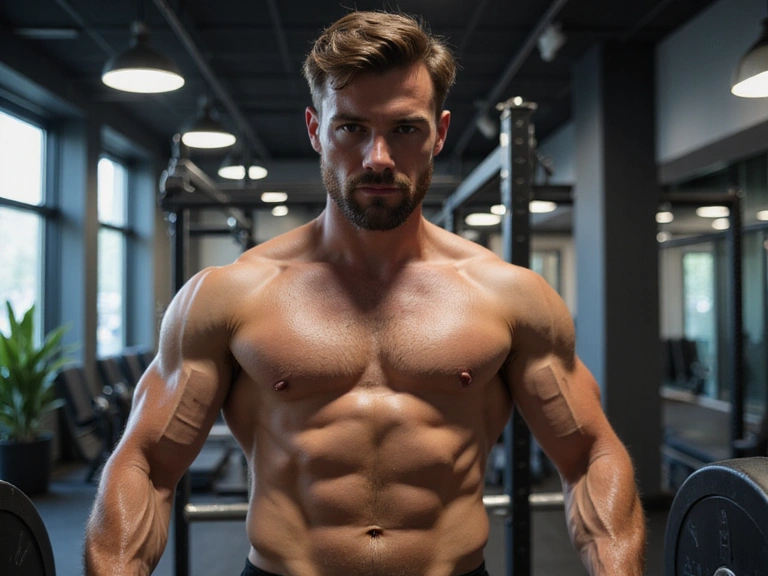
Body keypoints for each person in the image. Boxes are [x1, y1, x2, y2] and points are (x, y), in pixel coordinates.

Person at [84, 11, 646, 576]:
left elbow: (590, 455)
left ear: (440, 132)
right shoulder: (230, 296)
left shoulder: (510, 297)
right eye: (351, 128)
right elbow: (149, 466)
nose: (378, 158)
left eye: (405, 129)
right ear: (315, 130)